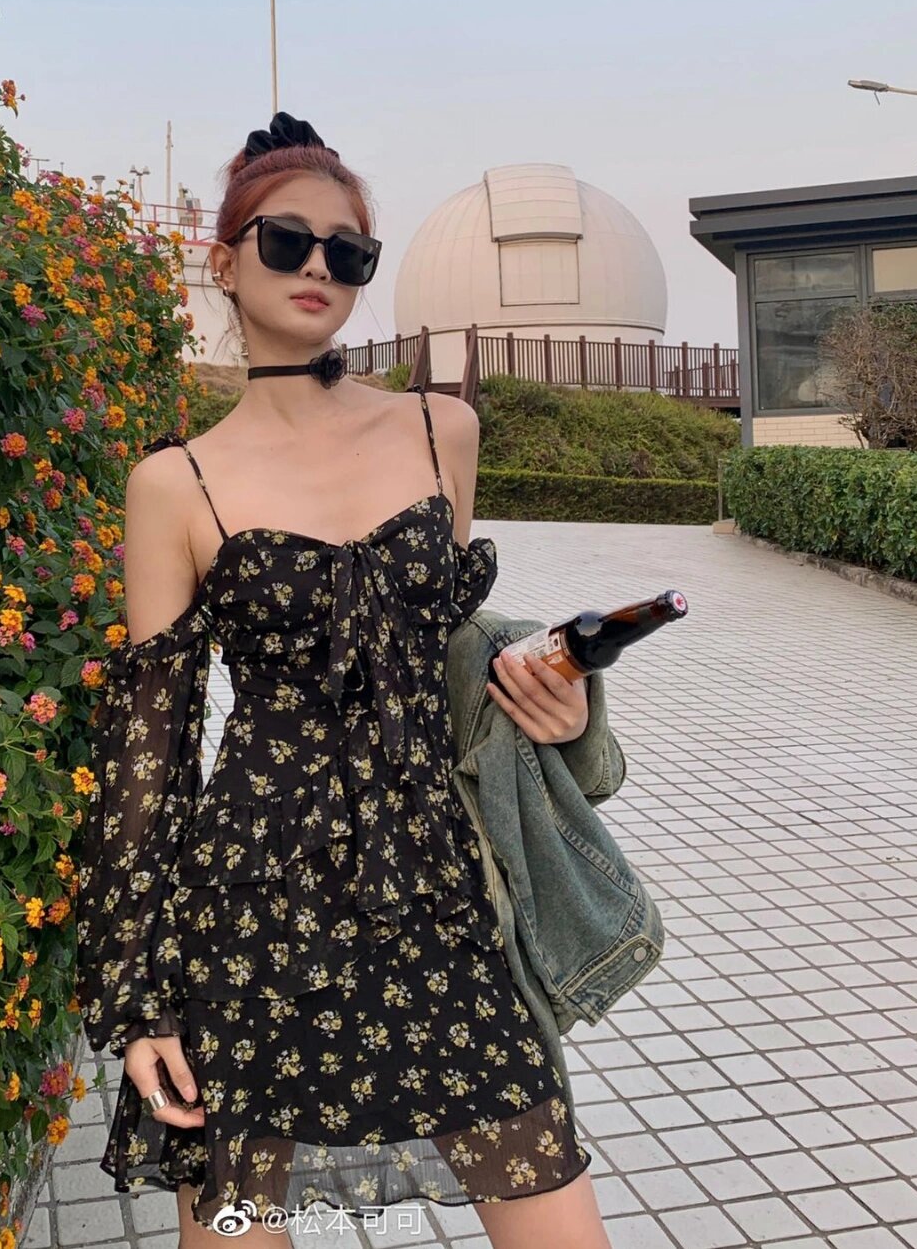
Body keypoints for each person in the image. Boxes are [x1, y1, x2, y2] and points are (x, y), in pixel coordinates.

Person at [75, 112, 612, 1247]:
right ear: (225, 262)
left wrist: (559, 708)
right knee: (239, 1220)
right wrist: (139, 998)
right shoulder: (174, 483)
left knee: (554, 1211)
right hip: (249, 900)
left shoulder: (440, 430)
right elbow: (147, 760)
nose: (318, 265)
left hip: (433, 882)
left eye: (348, 250)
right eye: (286, 240)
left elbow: (448, 660)